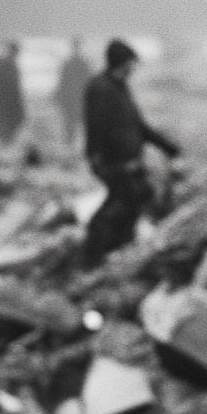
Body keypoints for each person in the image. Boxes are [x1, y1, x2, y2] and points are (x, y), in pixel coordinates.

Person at [82, 38, 182, 266]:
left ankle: (116, 253)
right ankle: (93, 256)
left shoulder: (120, 88)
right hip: (114, 164)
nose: (133, 69)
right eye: (131, 63)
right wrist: (97, 160)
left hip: (131, 162)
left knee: (136, 201)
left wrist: (168, 147)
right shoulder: (100, 88)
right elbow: (95, 127)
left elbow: (138, 126)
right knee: (120, 205)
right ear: (122, 63)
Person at [54, 37, 93, 144]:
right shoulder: (81, 64)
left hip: (75, 100)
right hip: (75, 100)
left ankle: (71, 148)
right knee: (74, 126)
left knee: (72, 126)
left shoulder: (73, 64)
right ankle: (72, 148)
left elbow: (62, 84)